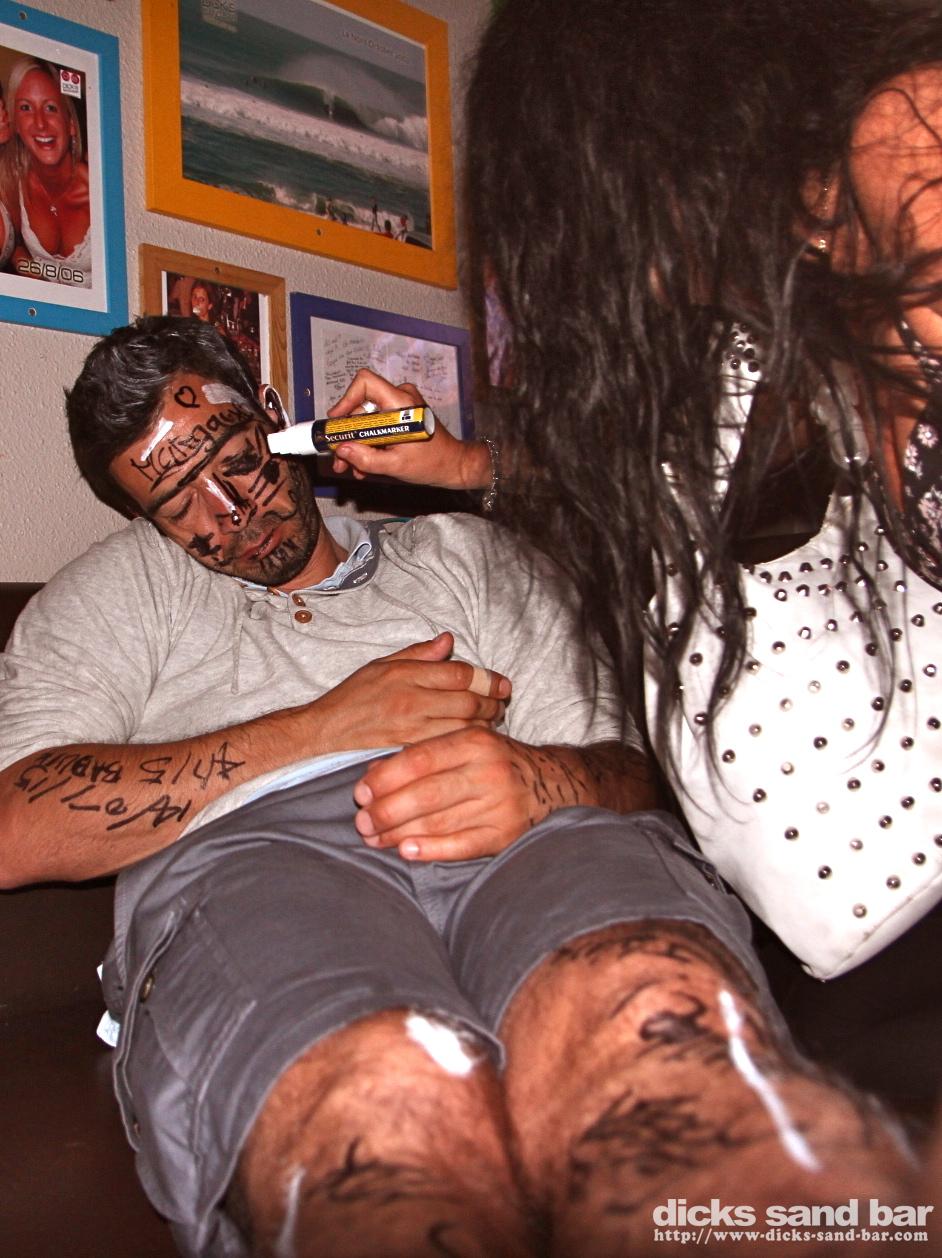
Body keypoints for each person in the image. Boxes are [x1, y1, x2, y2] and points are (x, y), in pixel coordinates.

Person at [0, 317, 919, 1257]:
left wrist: (546, 775)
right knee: (380, 1099)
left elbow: (635, 770)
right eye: (176, 503)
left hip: (532, 842)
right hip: (260, 869)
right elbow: (11, 825)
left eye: (234, 459)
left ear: (272, 415)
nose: (225, 510)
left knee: (650, 1023)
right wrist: (324, 728)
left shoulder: (467, 555)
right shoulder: (121, 592)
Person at [327, 0, 942, 1132]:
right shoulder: (714, 349)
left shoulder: (887, 190)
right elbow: (676, 475)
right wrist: (461, 464)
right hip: (826, 968)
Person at [7, 56, 91, 288]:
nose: (40, 123)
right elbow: (14, 246)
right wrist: (38, 280)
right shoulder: (12, 180)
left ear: (71, 124)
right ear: (15, 123)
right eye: (26, 108)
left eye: (50, 108)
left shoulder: (101, 191)